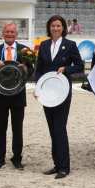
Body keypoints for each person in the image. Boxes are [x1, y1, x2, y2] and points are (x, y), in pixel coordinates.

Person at [35, 16, 84, 179]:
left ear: (63, 28)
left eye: (58, 26)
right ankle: (57, 165)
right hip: (47, 93)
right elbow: (39, 69)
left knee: (59, 128)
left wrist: (66, 69)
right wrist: (37, 88)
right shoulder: (44, 45)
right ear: (49, 28)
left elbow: (80, 66)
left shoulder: (70, 45)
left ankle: (64, 167)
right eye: (53, 26)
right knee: (52, 129)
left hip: (62, 92)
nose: (55, 28)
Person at [0, 23, 33, 170]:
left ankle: (17, 158)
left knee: (17, 129)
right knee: (0, 128)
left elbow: (32, 71)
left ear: (16, 34)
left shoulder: (25, 50)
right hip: (0, 95)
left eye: (12, 32)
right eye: (7, 32)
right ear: (3, 33)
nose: (9, 34)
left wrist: (25, 68)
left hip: (18, 95)